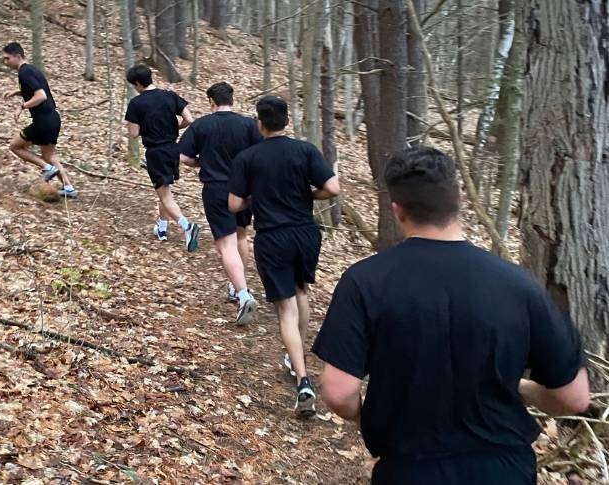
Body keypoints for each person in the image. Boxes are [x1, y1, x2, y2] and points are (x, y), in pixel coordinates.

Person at [313, 146, 590, 484]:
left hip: (409, 468)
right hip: (505, 469)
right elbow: (574, 398)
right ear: (458, 199)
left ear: (397, 210)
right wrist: (525, 389)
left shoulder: (364, 282)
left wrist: (370, 419)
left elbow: (339, 393)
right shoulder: (519, 285)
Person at [227, 96, 340, 417]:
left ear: (259, 124)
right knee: (302, 290)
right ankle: (297, 358)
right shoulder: (305, 151)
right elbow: (332, 188)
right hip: (306, 233)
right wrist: (308, 194)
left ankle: (303, 379)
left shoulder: (248, 157)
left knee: (285, 309)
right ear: (286, 121)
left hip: (272, 237)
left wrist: (255, 198)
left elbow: (234, 205)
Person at [178, 82, 262, 325]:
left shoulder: (202, 125)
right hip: (244, 189)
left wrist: (201, 163)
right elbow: (260, 154)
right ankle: (238, 286)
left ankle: (244, 294)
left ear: (211, 101)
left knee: (226, 244)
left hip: (216, 188)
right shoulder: (248, 124)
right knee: (241, 236)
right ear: (231, 99)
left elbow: (183, 157)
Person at [124, 64, 200, 251]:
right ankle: (162, 229)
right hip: (173, 149)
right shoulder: (169, 95)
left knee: (164, 194)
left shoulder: (136, 104)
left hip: (155, 152)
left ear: (138, 83)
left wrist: (144, 127)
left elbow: (133, 133)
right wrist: (174, 129)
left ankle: (187, 226)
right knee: (164, 190)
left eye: (134, 85)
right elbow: (189, 119)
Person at [1, 42, 77, 198]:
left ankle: (46, 168)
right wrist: (16, 92)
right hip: (53, 119)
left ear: (18, 56)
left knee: (15, 146)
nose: (5, 62)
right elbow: (35, 89)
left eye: (7, 58)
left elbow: (40, 96)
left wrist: (22, 107)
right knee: (50, 156)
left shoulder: (24, 72)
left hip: (43, 121)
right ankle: (68, 188)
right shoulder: (31, 69)